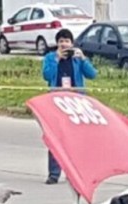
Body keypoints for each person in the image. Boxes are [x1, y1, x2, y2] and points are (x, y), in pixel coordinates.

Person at [41, 28, 97, 185]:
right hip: (56, 102)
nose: (64, 44)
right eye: (61, 42)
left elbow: (92, 74)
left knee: (75, 139)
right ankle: (54, 173)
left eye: (66, 41)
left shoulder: (77, 59)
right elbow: (47, 75)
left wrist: (84, 59)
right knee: (55, 137)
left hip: (75, 103)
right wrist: (56, 59)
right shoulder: (50, 57)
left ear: (72, 43)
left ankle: (74, 172)